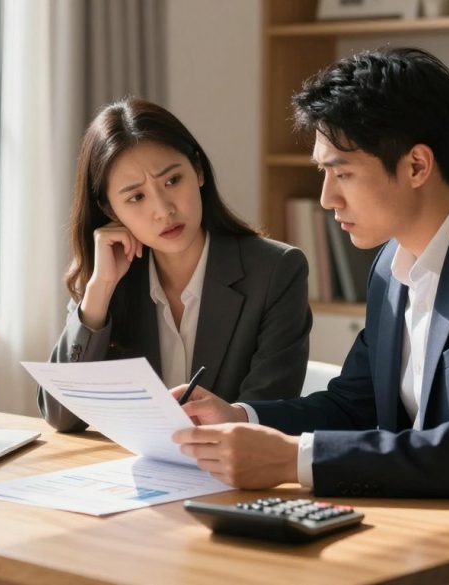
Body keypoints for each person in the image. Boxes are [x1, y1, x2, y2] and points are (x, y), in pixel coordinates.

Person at [170, 48, 449, 584]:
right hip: (427, 537)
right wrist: (243, 418)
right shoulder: (392, 263)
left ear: (417, 165)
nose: (325, 198)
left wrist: (290, 460)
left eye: (340, 173)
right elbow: (356, 404)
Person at [38, 97, 312, 433]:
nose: (164, 210)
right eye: (136, 197)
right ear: (110, 210)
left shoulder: (276, 271)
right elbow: (61, 416)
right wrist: (99, 291)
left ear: (197, 170)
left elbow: (264, 417)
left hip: (231, 477)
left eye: (172, 181)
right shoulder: (107, 277)